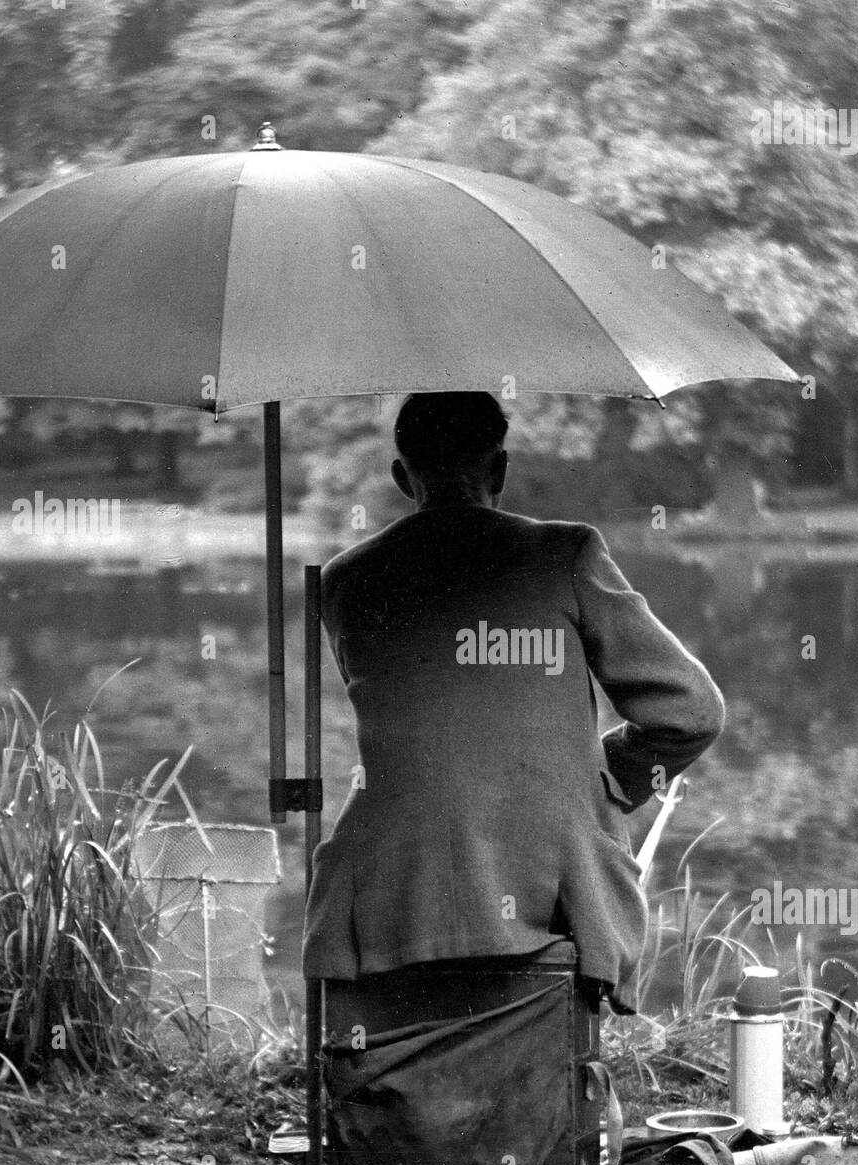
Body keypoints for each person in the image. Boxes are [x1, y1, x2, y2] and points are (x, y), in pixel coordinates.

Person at [303, 392, 724, 1013]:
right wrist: (596, 784)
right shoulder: (565, 556)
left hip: (391, 891)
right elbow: (693, 713)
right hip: (551, 888)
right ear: (500, 470)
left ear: (400, 477)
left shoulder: (344, 580)